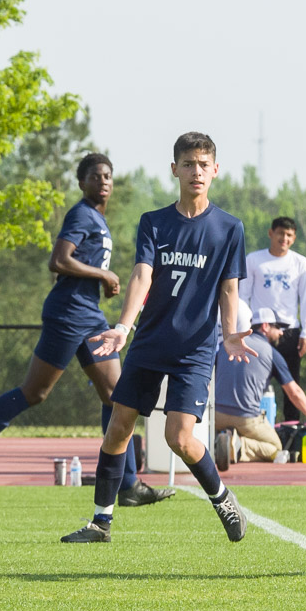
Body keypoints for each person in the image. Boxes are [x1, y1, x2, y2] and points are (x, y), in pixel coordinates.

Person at [0, 153, 172, 507]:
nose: (104, 181)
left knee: (118, 394)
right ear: (82, 183)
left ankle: (126, 485)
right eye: (95, 176)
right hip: (67, 314)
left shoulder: (97, 218)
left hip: (89, 315)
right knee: (34, 393)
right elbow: (59, 260)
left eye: (108, 176)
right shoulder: (81, 213)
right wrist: (104, 275)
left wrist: (100, 280)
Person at [60, 132, 256, 544]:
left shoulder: (229, 228)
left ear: (215, 170)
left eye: (203, 164)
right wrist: (123, 327)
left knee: (179, 438)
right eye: (188, 164)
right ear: (175, 170)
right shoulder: (154, 221)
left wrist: (231, 334)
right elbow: (141, 276)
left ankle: (221, 496)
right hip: (149, 343)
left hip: (194, 351)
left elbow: (229, 289)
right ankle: (100, 523)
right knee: (118, 427)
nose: (196, 172)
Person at [213, 307, 306, 469]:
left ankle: (214, 442)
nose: (280, 333)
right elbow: (294, 392)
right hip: (247, 418)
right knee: (275, 448)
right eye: (277, 327)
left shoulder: (226, 345)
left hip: (217, 415)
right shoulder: (272, 353)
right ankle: (237, 446)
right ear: (265, 326)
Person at [240, 217, 306, 423]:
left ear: (294, 238)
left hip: (289, 332)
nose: (284, 238)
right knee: (254, 382)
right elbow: (242, 296)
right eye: (281, 233)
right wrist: (243, 327)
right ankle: (251, 425)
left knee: (291, 385)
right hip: (258, 332)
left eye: (289, 235)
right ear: (270, 233)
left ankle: (291, 431)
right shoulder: (254, 260)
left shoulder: (300, 263)